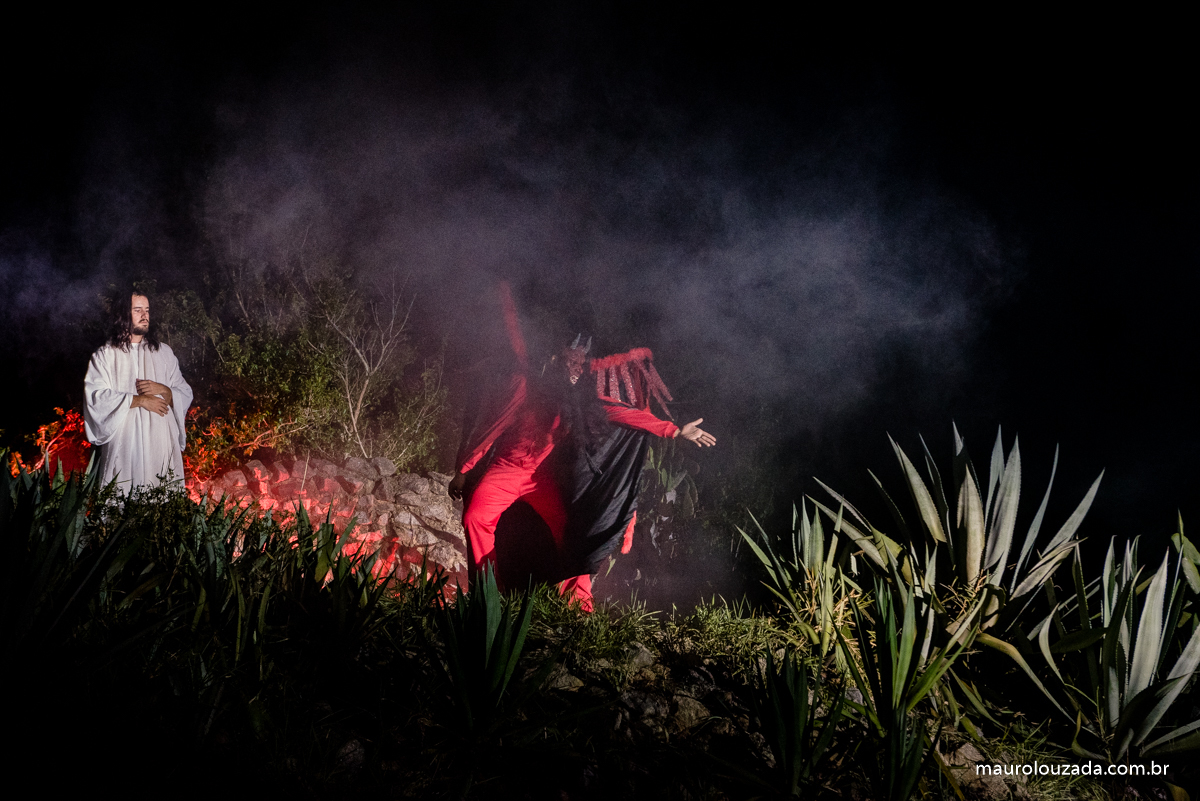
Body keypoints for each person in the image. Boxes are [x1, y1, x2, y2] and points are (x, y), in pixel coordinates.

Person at [449, 328, 714, 611]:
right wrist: (463, 471)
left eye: (580, 364)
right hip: (507, 470)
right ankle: (490, 592)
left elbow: (620, 411)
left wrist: (673, 431)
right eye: (571, 362)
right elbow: (493, 427)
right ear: (555, 360)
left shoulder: (580, 401)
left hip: (541, 479)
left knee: (576, 534)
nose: (576, 369)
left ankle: (579, 605)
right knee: (476, 516)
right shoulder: (526, 387)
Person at [84, 290, 193, 493]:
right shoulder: (106, 355)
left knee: (160, 498)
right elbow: (96, 398)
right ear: (124, 315)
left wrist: (165, 391)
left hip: (159, 444)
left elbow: (185, 391)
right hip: (125, 444)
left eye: (147, 310)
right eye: (138, 310)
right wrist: (139, 400)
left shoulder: (163, 353)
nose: (145, 315)